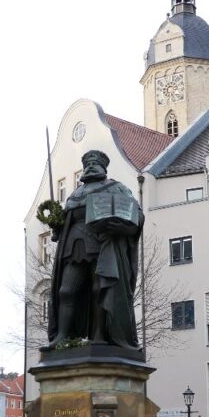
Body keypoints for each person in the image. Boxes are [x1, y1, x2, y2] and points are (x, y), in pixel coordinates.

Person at [45, 149, 144, 351]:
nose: (90, 166)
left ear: (103, 167)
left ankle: (99, 336)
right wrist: (57, 226)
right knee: (66, 291)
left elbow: (137, 215)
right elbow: (64, 226)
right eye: (87, 164)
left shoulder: (116, 188)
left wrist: (124, 227)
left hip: (102, 244)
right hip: (74, 246)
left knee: (100, 289)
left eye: (95, 163)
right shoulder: (75, 194)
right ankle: (62, 337)